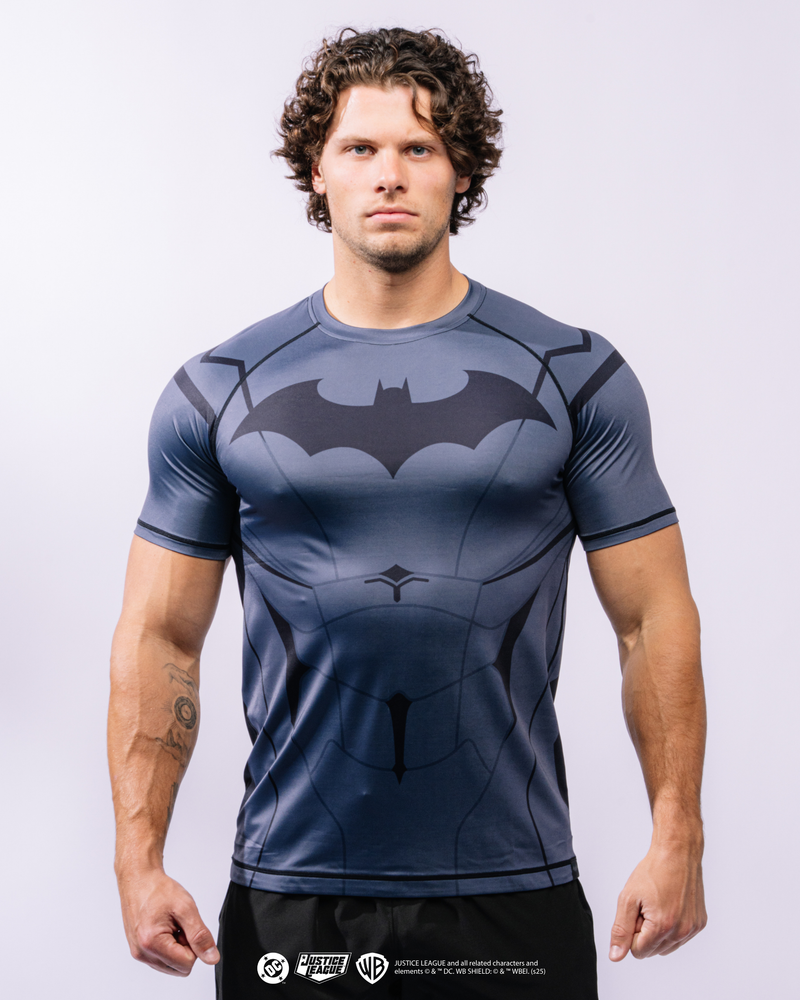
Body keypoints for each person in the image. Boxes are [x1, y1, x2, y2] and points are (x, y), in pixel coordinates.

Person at [108, 27, 706, 999]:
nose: (389, 173)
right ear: (318, 169)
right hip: (293, 892)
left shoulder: (569, 375)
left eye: (418, 147)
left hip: (511, 888)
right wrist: (138, 860)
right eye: (360, 147)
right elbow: (161, 636)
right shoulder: (222, 389)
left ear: (460, 169)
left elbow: (651, 619)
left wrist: (677, 835)